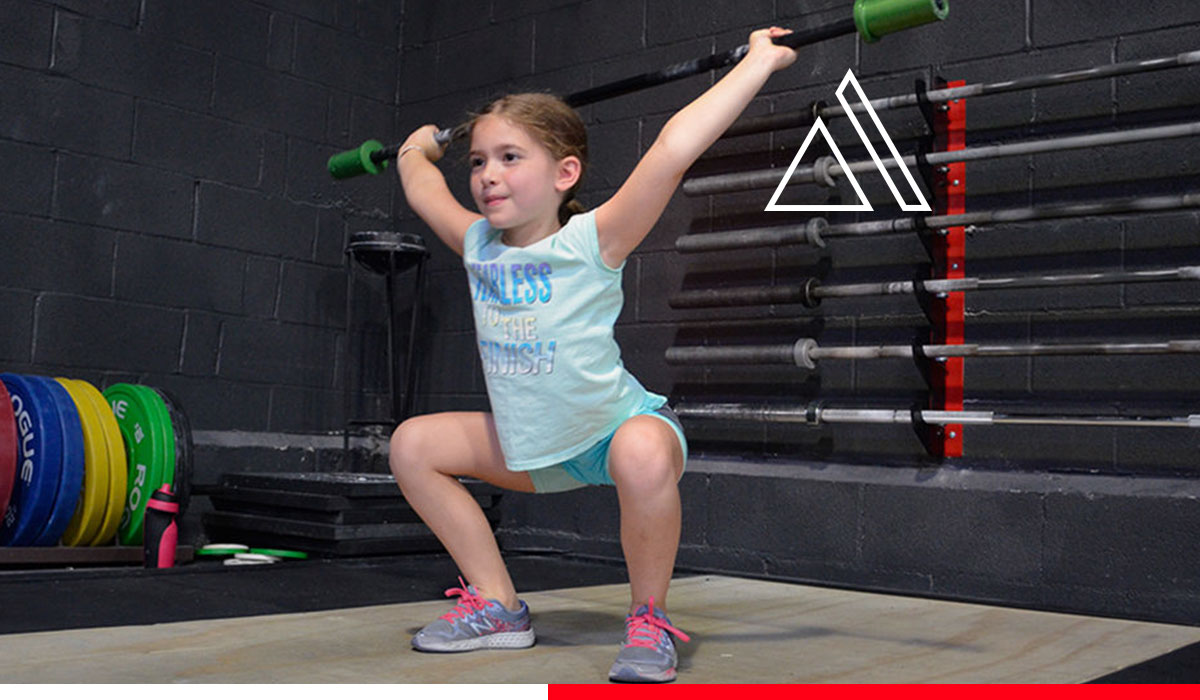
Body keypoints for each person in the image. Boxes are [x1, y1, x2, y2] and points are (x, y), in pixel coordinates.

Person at [389, 26, 799, 683]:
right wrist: (415, 149)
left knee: (640, 450)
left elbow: (673, 149)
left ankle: (649, 620)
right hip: (533, 449)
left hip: (613, 435)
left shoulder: (593, 239)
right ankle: (497, 605)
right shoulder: (477, 245)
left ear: (565, 174)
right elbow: (420, 188)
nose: (488, 174)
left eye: (510, 158)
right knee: (412, 445)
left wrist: (757, 63)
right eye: (477, 161)